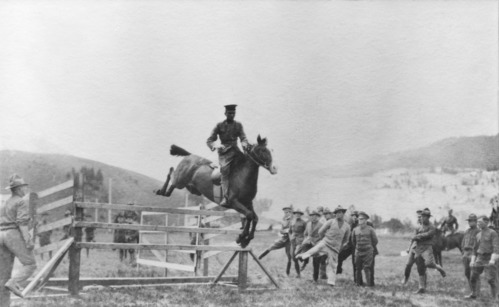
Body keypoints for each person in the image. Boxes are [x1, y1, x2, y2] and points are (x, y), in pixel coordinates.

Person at [0, 174, 37, 303]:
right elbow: (22, 223)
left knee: (3, 274)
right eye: (24, 187)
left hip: (1, 235)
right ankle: (14, 283)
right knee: (30, 264)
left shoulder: (4, 203)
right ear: (19, 189)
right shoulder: (21, 201)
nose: (25, 190)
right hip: (12, 234)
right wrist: (28, 240)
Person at [206, 104, 251, 208]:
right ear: (225, 113)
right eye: (230, 113)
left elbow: (243, 138)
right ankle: (226, 198)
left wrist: (244, 143)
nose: (232, 115)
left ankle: (246, 193)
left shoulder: (238, 125)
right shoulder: (219, 125)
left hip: (236, 151)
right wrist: (216, 145)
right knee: (225, 171)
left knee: (248, 165)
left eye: (233, 113)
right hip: (224, 153)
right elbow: (209, 140)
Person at [296, 205, 351, 287]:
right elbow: (320, 231)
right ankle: (303, 256)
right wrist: (323, 239)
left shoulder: (347, 226)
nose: (338, 214)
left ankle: (331, 282)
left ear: (343, 213)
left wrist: (340, 245)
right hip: (325, 242)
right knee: (315, 250)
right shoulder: (331, 221)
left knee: (333, 265)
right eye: (336, 213)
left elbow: (346, 239)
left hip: (335, 248)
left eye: (340, 212)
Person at [412, 208, 446, 294]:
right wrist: (415, 240)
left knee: (429, 263)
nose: (423, 218)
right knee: (420, 267)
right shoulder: (418, 226)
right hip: (419, 248)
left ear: (428, 217)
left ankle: (440, 268)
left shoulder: (432, 227)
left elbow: (428, 235)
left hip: (427, 248)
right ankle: (421, 287)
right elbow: (414, 236)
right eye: (422, 216)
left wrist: (418, 236)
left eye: (425, 217)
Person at [466, 215, 499, 300]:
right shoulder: (478, 234)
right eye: (478, 222)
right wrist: (472, 261)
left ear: (486, 222)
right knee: (473, 277)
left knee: (491, 279)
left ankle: (495, 298)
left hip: (490, 258)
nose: (478, 224)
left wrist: (492, 260)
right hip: (480, 258)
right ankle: (474, 294)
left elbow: (496, 248)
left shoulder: (492, 233)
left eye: (480, 222)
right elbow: (474, 249)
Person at [258, 206, 293, 275]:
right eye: (285, 212)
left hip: (290, 240)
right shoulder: (284, 220)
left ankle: (287, 272)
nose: (286, 214)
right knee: (271, 247)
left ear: (291, 212)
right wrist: (283, 231)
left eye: (288, 212)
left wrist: (289, 231)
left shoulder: (293, 220)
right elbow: (281, 230)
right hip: (283, 238)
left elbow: (294, 230)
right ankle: (259, 257)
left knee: (289, 256)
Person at [352, 211, 378, 287]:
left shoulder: (370, 229)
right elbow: (353, 241)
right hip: (358, 251)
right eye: (359, 219)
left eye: (362, 219)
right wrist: (358, 248)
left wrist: (368, 247)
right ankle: (357, 284)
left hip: (368, 252)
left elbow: (375, 241)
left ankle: (369, 285)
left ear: (366, 220)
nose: (360, 221)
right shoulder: (355, 230)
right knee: (357, 268)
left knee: (367, 268)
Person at [295, 210, 323, 281]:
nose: (313, 217)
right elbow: (305, 233)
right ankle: (305, 261)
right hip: (308, 242)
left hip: (316, 244)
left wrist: (318, 242)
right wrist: (306, 239)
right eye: (312, 216)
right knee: (297, 253)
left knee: (316, 262)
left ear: (318, 217)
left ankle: (315, 279)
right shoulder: (308, 224)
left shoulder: (321, 224)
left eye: (315, 216)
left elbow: (324, 235)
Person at [402, 209, 423, 285]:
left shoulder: (427, 227)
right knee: (408, 265)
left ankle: (423, 284)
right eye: (418, 217)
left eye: (420, 217)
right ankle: (405, 278)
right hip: (414, 248)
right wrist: (409, 248)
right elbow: (412, 239)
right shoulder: (417, 227)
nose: (419, 218)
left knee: (421, 268)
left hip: (422, 250)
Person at [461, 214, 480, 294]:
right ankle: (473, 291)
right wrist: (463, 252)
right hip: (466, 253)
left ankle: (476, 292)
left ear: (475, 222)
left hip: (473, 254)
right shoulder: (467, 231)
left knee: (474, 274)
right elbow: (463, 242)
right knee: (467, 273)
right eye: (468, 221)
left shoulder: (479, 231)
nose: (469, 222)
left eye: (471, 221)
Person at [289, 209, 306, 278]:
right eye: (296, 214)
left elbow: (306, 232)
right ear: (294, 214)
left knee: (296, 254)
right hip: (293, 240)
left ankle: (305, 261)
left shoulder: (304, 222)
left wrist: (304, 239)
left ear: (301, 215)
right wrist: (290, 237)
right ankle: (298, 274)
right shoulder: (292, 222)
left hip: (300, 240)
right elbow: (289, 231)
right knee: (293, 257)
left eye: (299, 214)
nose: (297, 215)